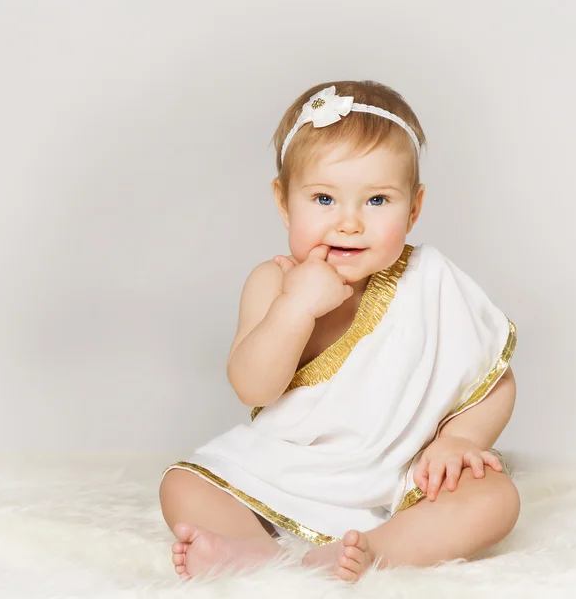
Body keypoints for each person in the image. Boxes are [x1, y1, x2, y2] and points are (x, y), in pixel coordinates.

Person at [158, 80, 520, 583]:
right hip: (289, 467)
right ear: (284, 203)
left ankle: (373, 550)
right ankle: (250, 550)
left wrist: (459, 439)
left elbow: (496, 380)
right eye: (324, 199)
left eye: (376, 201)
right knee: (182, 484)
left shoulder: (431, 281)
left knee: (495, 499)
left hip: (402, 475)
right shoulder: (274, 281)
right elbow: (253, 386)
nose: (349, 223)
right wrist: (295, 307)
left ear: (413, 209)